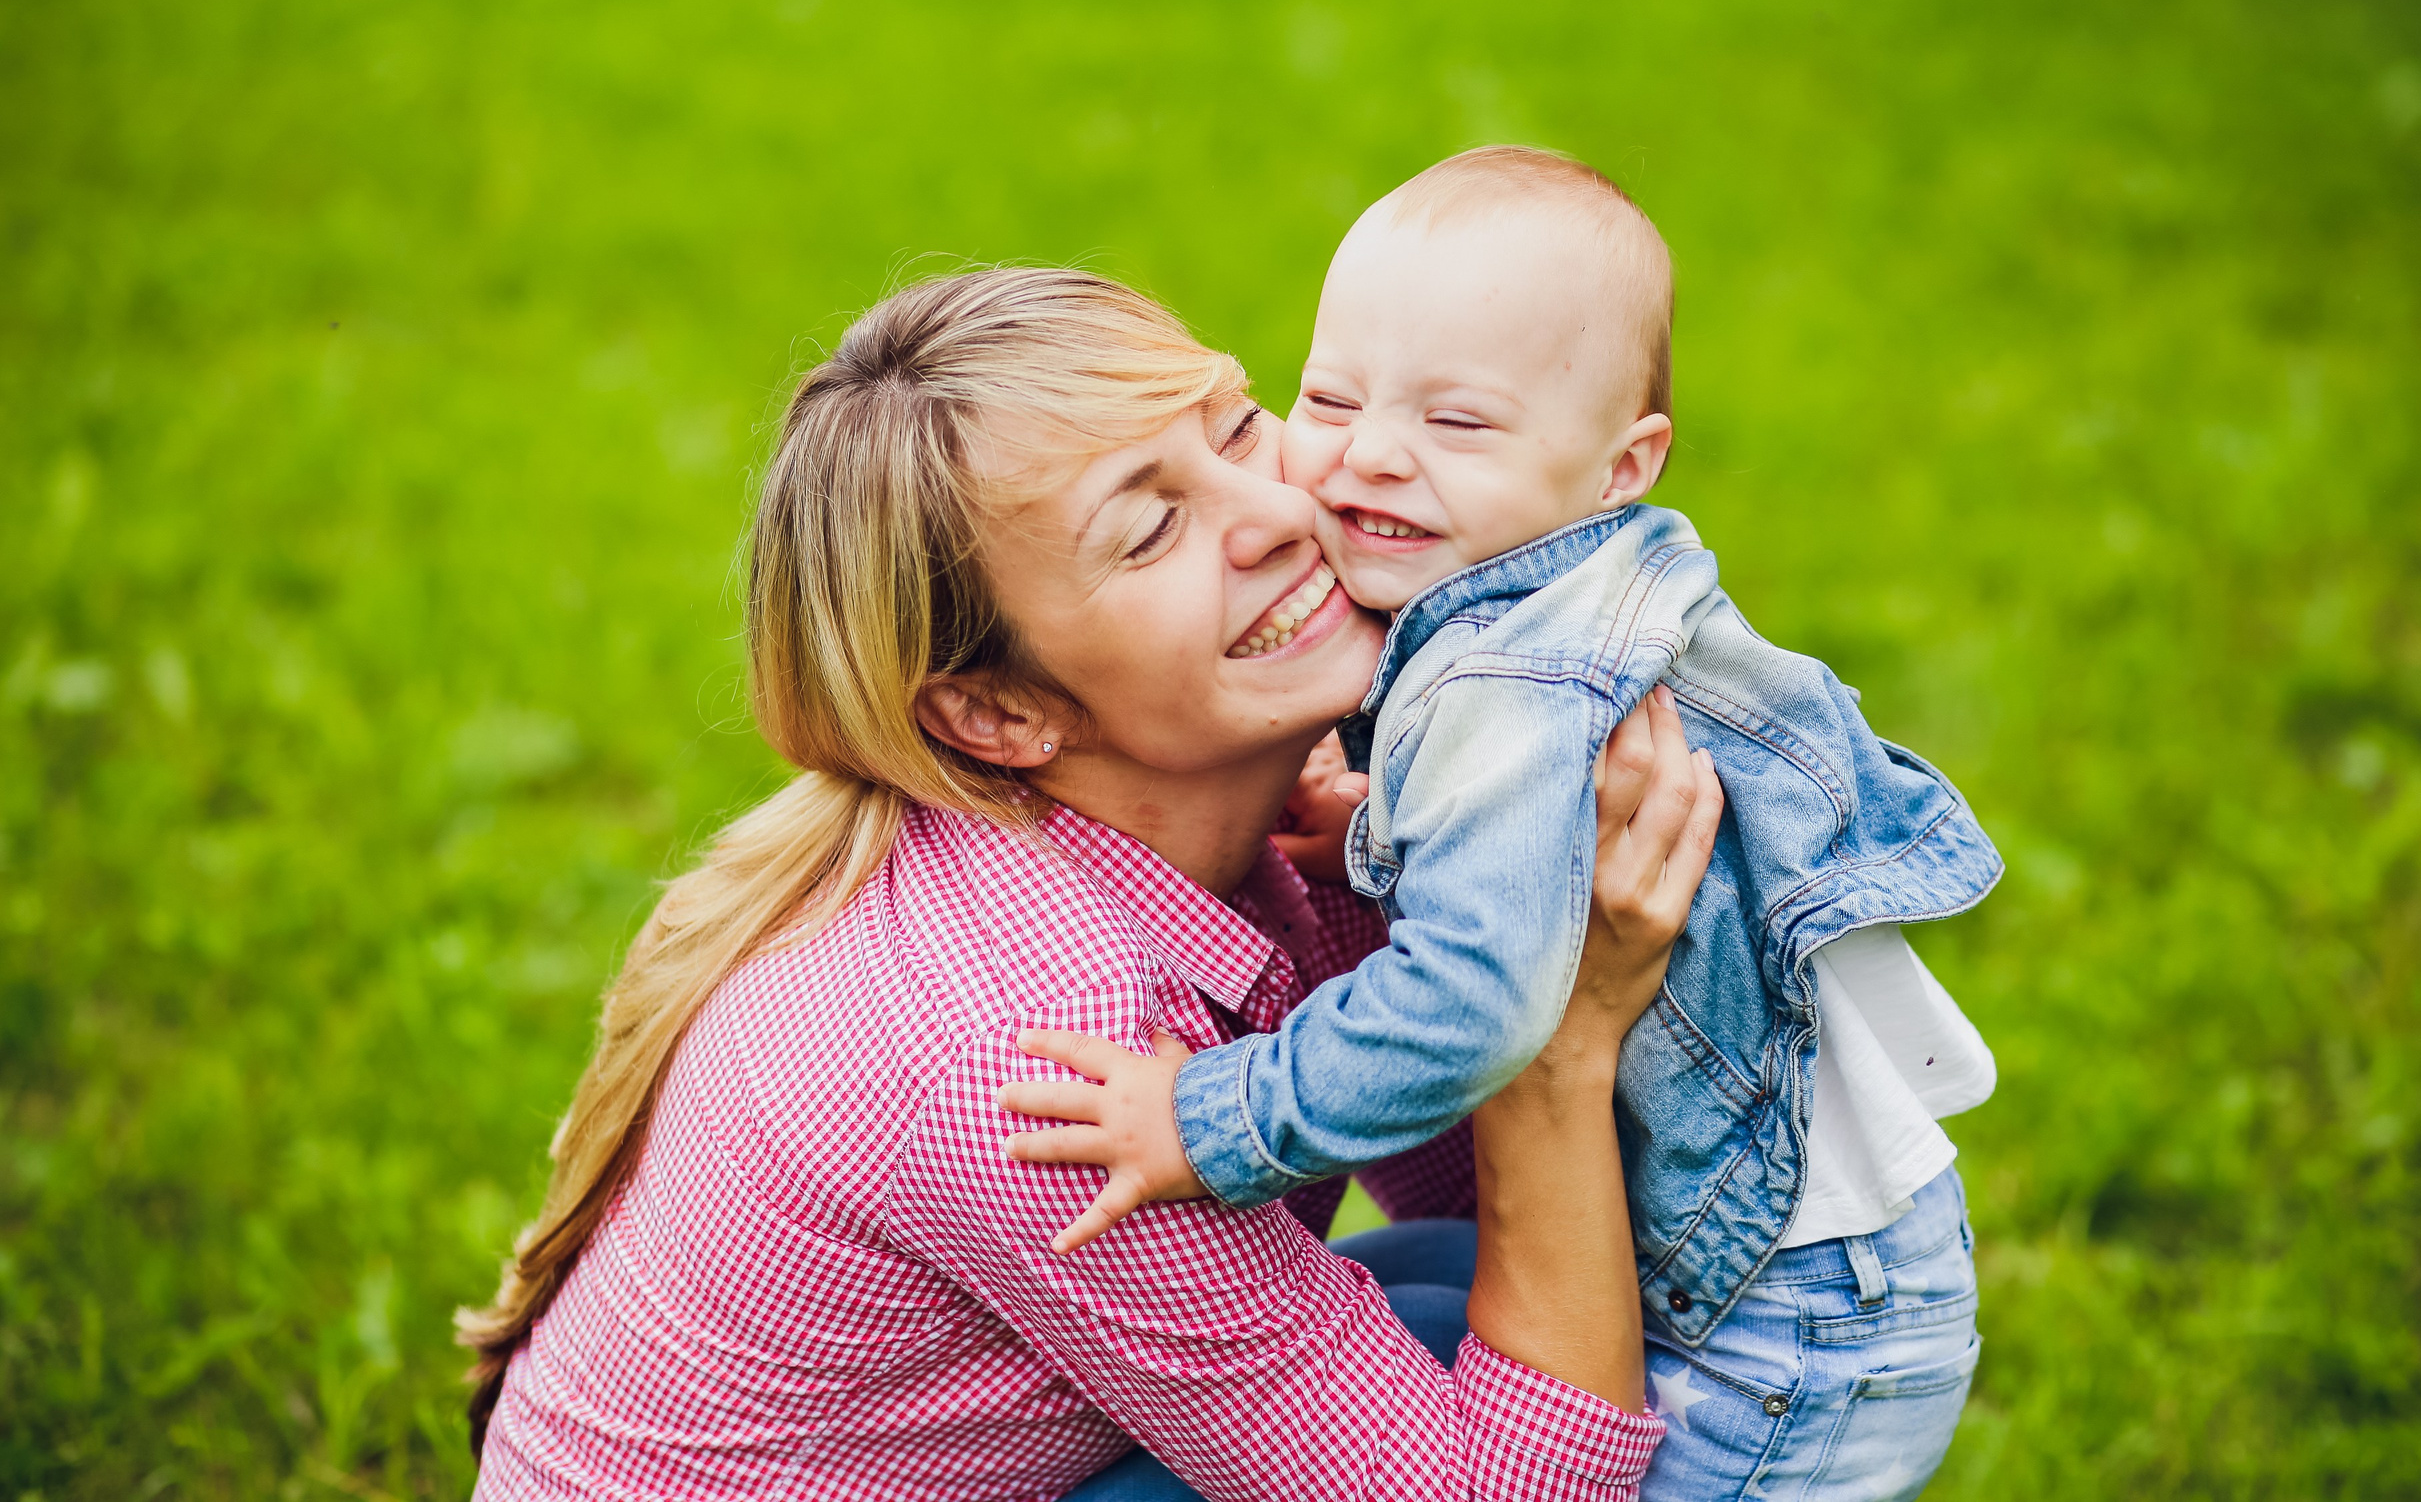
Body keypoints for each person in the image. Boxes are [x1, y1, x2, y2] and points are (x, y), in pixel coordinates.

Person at [457, 266, 1725, 1501]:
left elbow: (1461, 1194)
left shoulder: (1257, 832)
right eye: (1152, 529)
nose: (1281, 513)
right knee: (1500, 1363)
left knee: (1453, 1282)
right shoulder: (1035, 1059)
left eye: (1239, 426)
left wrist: (1438, 887)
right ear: (999, 713)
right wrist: (1556, 1028)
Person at [1032, 149, 2003, 1501]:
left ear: (1620, 464)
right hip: (1816, 1266)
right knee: (1431, 1287)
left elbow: (1474, 1004)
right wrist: (1379, 824)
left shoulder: (1513, 684)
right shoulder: (1571, 591)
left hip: (1774, 1333)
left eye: (1461, 423)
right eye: (1330, 397)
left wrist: (1206, 1119)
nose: (1373, 452)